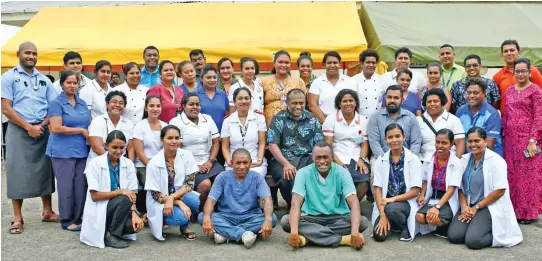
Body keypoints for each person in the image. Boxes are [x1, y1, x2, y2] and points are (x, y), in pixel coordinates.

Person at [1, 42, 60, 234]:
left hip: (41, 129)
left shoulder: (44, 80)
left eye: (34, 53)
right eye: (27, 53)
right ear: (18, 54)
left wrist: (41, 126)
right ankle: (17, 217)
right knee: (16, 171)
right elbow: (6, 108)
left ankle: (48, 211)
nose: (31, 56)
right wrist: (28, 127)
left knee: (45, 170)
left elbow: (53, 106)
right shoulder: (8, 77)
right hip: (19, 129)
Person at [282, 142, 368, 249]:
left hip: (338, 218)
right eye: (318, 158)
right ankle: (343, 240)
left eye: (325, 157)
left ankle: (309, 237)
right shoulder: (302, 173)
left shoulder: (343, 173)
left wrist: (354, 233)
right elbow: (295, 204)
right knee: (286, 222)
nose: (322, 161)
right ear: (312, 158)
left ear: (332, 157)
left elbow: (354, 204)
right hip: (311, 218)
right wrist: (294, 233)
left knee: (363, 222)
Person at [448, 128, 523, 249]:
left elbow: (500, 191)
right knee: (454, 236)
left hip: (488, 205)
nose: (473, 144)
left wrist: (476, 208)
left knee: (473, 241)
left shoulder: (496, 161)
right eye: (470, 141)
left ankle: (497, 233)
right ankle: (475, 227)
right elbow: (459, 187)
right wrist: (464, 207)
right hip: (468, 205)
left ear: (485, 141)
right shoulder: (464, 160)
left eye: (477, 140)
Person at [200, 148, 277, 248]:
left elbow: (267, 199)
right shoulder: (222, 177)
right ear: (231, 163)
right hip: (226, 217)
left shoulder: (257, 178)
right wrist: (206, 217)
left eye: (245, 162)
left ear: (250, 163)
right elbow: (211, 200)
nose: (242, 166)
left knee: (272, 219)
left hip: (250, 217)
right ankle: (244, 235)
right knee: (202, 217)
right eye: (238, 163)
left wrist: (268, 219)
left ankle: (225, 234)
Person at [80, 130, 143, 249]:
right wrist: (119, 191)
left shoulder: (128, 164)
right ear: (106, 145)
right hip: (100, 207)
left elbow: (132, 193)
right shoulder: (95, 163)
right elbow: (95, 196)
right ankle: (111, 235)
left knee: (133, 226)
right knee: (124, 197)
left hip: (120, 206)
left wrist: (134, 214)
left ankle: (108, 230)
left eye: (122, 147)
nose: (118, 151)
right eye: (114, 147)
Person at [46, 71, 91, 231]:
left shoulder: (82, 103)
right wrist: (80, 130)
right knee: (66, 186)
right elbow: (56, 128)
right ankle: (66, 220)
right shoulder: (56, 103)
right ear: (62, 84)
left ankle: (79, 218)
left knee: (80, 185)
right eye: (69, 83)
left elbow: (89, 122)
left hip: (81, 150)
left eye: (75, 83)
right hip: (61, 151)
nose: (72, 86)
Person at [267, 89, 324, 210]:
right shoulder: (279, 119)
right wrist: (286, 164)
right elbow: (272, 145)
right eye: (294, 103)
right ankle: (293, 205)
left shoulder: (312, 119)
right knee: (288, 175)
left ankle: (312, 206)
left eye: (301, 103)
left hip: (307, 157)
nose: (298, 106)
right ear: (287, 102)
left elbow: (319, 144)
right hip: (283, 159)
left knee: (319, 171)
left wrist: (317, 161)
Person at [502, 58, 542, 224]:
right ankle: (514, 211)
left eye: (523, 71)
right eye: (517, 71)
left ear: (529, 72)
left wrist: (533, 140)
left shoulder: (536, 91)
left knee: (528, 177)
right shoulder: (510, 91)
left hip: (528, 141)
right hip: (511, 140)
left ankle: (528, 213)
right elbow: (506, 114)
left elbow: (539, 117)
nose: (520, 74)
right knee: (513, 175)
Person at [145, 125, 200, 241]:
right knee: (181, 218)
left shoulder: (186, 155)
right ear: (161, 140)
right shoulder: (154, 163)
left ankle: (184, 228)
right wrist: (178, 203)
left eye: (177, 138)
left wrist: (173, 197)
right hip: (160, 202)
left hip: (177, 195)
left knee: (194, 200)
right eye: (169, 138)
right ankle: (159, 221)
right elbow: (155, 195)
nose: (174, 141)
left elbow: (190, 184)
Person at [169, 94, 224, 209]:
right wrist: (195, 166)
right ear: (183, 106)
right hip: (187, 165)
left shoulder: (207, 119)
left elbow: (215, 142)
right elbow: (175, 149)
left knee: (223, 178)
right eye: (191, 104)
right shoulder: (176, 122)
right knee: (205, 185)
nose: (195, 107)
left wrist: (210, 161)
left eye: (197, 104)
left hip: (208, 161)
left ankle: (220, 208)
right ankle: (200, 210)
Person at [372, 123, 422, 242]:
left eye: (397, 136)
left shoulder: (413, 160)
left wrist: (392, 199)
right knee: (379, 236)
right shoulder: (381, 159)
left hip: (405, 202)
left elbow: (415, 191)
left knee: (392, 210)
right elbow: (378, 189)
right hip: (385, 202)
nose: (394, 140)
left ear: (403, 137)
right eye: (390, 137)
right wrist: (382, 216)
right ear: (385, 140)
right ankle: (392, 222)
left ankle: (402, 226)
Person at [323, 89, 371, 202]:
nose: (348, 103)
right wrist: (337, 162)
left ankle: (351, 208)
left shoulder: (363, 120)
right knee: (338, 181)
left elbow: (364, 144)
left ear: (356, 103)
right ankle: (340, 207)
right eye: (344, 101)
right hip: (337, 156)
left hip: (356, 156)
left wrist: (361, 159)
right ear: (339, 103)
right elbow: (328, 145)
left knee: (364, 182)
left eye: (351, 100)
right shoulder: (331, 119)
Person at [416, 129, 462, 238]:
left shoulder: (457, 163)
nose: (440, 146)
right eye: (437, 142)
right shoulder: (429, 159)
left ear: (451, 144)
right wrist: (422, 194)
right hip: (433, 195)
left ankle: (446, 224)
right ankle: (439, 224)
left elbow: (451, 189)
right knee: (420, 217)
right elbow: (426, 180)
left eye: (444, 143)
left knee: (434, 217)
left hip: (448, 197)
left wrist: (437, 207)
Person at [132, 96, 167, 215]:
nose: (155, 109)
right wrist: (152, 166)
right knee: (153, 185)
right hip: (143, 165)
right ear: (146, 108)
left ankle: (164, 213)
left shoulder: (165, 126)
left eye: (158, 106)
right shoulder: (140, 126)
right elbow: (139, 152)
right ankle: (152, 214)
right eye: (152, 106)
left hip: (163, 165)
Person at [368, 85, 422, 159]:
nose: (392, 100)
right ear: (385, 98)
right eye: (389, 97)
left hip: (407, 160)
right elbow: (374, 143)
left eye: (396, 98)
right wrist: (385, 161)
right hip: (380, 159)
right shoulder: (375, 117)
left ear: (402, 100)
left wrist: (409, 161)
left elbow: (416, 142)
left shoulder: (411, 117)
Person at [222, 87, 267, 175]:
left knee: (254, 177)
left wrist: (259, 160)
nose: (244, 101)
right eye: (240, 98)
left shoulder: (259, 118)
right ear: (234, 101)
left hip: (254, 161)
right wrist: (229, 161)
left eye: (247, 98)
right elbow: (225, 146)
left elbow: (262, 143)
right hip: (234, 162)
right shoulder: (227, 121)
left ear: (250, 100)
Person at [455, 78, 504, 157]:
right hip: (467, 157)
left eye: (475, 93)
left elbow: (489, 145)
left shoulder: (492, 114)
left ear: (484, 94)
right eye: (469, 93)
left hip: (489, 157)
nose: (471, 96)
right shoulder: (460, 112)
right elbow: (459, 139)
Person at [493, 39, 542, 114]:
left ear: (519, 52)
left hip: (529, 118)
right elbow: (496, 100)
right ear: (502, 55)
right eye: (505, 51)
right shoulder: (498, 76)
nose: (509, 53)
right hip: (507, 120)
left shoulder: (532, 70)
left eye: (512, 50)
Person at [308, 51, 357, 123]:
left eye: (335, 62)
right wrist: (326, 123)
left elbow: (355, 102)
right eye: (329, 63)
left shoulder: (349, 81)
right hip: (324, 122)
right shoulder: (317, 82)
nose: (332, 65)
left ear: (339, 64)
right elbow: (312, 105)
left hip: (346, 122)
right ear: (324, 65)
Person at [261, 50, 307, 126]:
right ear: (274, 63)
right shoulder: (264, 81)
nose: (283, 65)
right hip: (271, 127)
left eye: (286, 62)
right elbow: (260, 106)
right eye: (280, 62)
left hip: (294, 126)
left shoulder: (299, 82)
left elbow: (304, 105)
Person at [417, 88, 465, 162]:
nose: (432, 104)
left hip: (447, 163)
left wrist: (456, 163)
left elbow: (460, 143)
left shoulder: (454, 120)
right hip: (424, 162)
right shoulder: (418, 121)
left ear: (442, 102)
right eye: (429, 101)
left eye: (436, 101)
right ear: (425, 103)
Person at [88, 91, 135, 163]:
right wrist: (115, 164)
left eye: (121, 103)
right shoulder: (97, 121)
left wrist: (130, 165)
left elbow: (131, 148)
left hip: (122, 165)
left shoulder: (129, 123)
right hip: (99, 164)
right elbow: (96, 148)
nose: (117, 105)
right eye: (114, 102)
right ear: (107, 104)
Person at [353, 49, 386, 118]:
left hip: (377, 120)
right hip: (359, 120)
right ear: (362, 64)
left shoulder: (382, 80)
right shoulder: (353, 80)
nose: (371, 65)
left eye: (373, 63)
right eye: (368, 62)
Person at [196, 65, 229, 131]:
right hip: (201, 135)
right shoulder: (194, 94)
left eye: (214, 77)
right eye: (208, 77)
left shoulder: (222, 94)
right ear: (201, 79)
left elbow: (227, 113)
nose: (212, 80)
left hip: (221, 135)